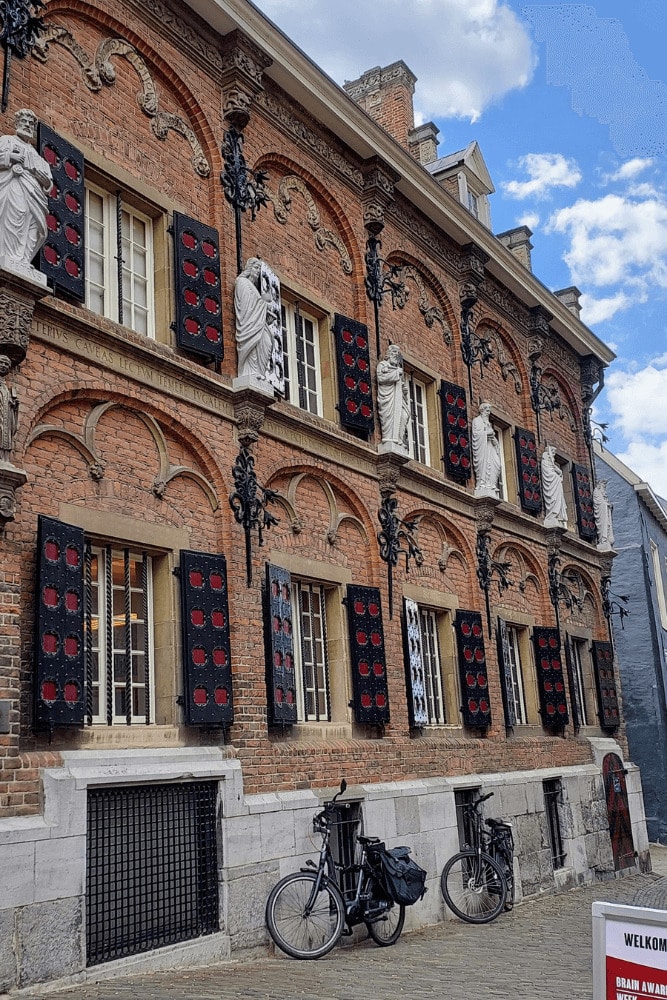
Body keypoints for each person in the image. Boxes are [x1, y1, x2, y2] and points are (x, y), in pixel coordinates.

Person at [0, 109, 52, 268]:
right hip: (14, 186)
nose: (28, 125)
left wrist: (46, 183)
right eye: (24, 122)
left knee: (36, 226)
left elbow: (48, 183)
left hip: (35, 195)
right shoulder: (6, 140)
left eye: (31, 124)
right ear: (17, 123)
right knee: (15, 216)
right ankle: (9, 256)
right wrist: (11, 157)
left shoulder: (35, 154)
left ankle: (23, 260)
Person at [234, 257, 275, 381]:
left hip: (259, 325)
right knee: (253, 347)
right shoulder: (242, 282)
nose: (257, 271)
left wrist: (265, 312)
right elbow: (247, 306)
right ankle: (250, 372)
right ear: (249, 268)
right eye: (256, 268)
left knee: (267, 343)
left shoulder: (253, 287)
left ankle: (259, 372)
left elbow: (256, 304)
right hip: (250, 327)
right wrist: (264, 306)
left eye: (259, 269)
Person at [376, 344, 410, 449]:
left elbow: (402, 384)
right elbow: (381, 378)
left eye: (397, 353)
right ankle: (389, 439)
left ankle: (399, 441)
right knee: (388, 418)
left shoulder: (397, 368)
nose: (396, 355)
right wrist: (396, 373)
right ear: (389, 353)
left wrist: (404, 390)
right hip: (387, 398)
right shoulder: (382, 365)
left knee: (404, 416)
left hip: (399, 399)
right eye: (394, 352)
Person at [471, 401, 501, 498]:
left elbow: (492, 437)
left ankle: (492, 485)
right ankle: (482, 484)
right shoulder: (477, 421)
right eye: (487, 411)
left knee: (497, 465)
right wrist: (487, 434)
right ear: (482, 411)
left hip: (490, 449)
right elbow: (476, 435)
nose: (488, 413)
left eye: (489, 411)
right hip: (483, 450)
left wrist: (494, 440)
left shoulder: (488, 423)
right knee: (484, 465)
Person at [541, 444, 568, 528]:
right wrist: (557, 476)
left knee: (558, 498)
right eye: (552, 452)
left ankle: (559, 517)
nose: (553, 454)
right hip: (552, 484)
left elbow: (558, 472)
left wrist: (558, 472)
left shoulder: (553, 464)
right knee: (553, 498)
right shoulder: (545, 462)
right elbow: (548, 474)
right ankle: (552, 515)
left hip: (557, 486)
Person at [0, 354, 18, 461]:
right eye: (1, 362)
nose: (3, 365)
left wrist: (14, 405)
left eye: (6, 364)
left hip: (5, 417)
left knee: (4, 436)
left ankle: (3, 457)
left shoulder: (5, 386)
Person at [593, 479, 614, 551]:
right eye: (603, 486)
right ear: (599, 486)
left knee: (607, 525)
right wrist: (606, 504)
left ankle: (605, 540)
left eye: (604, 487)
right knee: (603, 526)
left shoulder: (603, 495)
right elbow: (598, 503)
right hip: (602, 513)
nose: (604, 489)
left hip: (605, 513)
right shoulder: (596, 492)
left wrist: (608, 505)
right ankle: (603, 540)